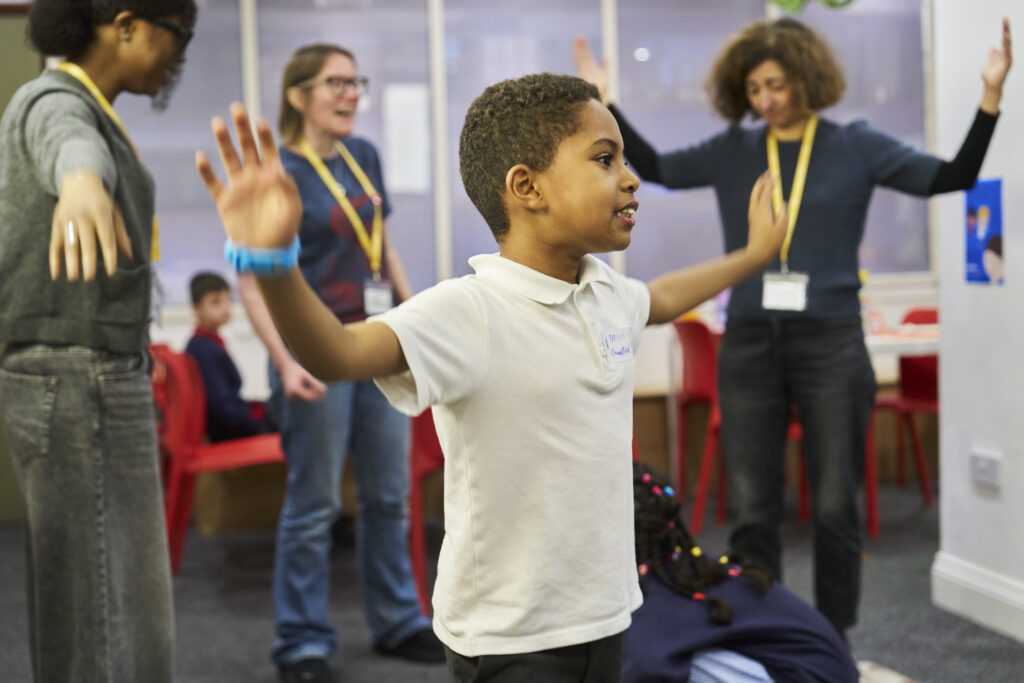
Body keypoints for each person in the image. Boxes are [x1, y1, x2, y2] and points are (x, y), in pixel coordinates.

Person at [196, 73, 787, 681]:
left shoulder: (603, 290)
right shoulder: (468, 311)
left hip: (605, 614)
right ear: (526, 187)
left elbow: (660, 297)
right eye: (605, 160)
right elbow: (339, 354)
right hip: (511, 637)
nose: (631, 179)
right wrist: (270, 263)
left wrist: (753, 257)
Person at [574, 17, 1012, 637]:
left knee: (836, 504)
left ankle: (835, 641)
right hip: (750, 341)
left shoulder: (854, 145)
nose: (766, 100)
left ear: (805, 79)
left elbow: (952, 177)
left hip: (831, 341)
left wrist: (991, 96)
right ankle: (767, 638)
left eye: (776, 84)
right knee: (753, 511)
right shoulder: (735, 149)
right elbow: (660, 167)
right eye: (754, 89)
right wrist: (605, 101)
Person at [0, 1, 196, 681]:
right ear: (127, 24)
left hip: (88, 369)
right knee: (106, 610)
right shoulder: (52, 98)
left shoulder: (94, 108)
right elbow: (67, 143)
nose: (181, 53)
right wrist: (81, 182)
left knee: (97, 600)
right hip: (78, 374)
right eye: (180, 34)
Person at [232, 43, 437, 683]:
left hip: (375, 343)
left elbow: (383, 246)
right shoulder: (278, 170)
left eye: (356, 83)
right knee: (315, 504)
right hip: (311, 354)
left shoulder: (362, 156)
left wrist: (414, 318)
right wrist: (282, 360)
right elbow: (249, 276)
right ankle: (301, 642)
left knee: (388, 497)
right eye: (336, 83)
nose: (351, 94)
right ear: (298, 96)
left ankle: (399, 620)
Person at [625, 462, 858, 683]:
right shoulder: (683, 565)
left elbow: (644, 667)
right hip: (826, 670)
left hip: (808, 675)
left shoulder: (655, 600)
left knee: (652, 665)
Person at [185, 272, 273, 441]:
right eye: (215, 302)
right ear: (196, 309)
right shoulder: (204, 349)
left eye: (228, 300)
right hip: (227, 433)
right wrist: (259, 426)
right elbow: (222, 408)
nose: (226, 307)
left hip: (231, 425)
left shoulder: (206, 344)